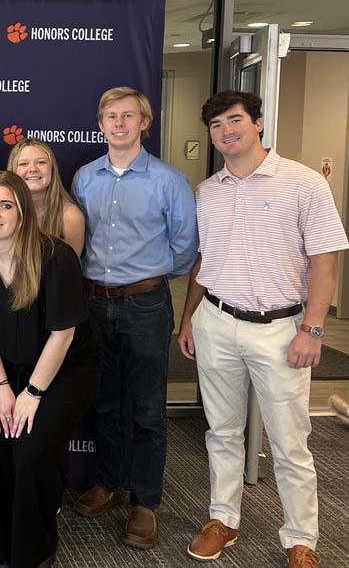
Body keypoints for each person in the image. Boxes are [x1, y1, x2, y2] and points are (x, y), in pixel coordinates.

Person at [177, 91, 348, 568]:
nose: (225, 131)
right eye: (216, 126)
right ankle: (222, 519)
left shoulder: (304, 183)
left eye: (234, 121)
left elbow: (325, 262)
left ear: (257, 124)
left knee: (289, 440)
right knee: (223, 431)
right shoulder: (207, 191)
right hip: (217, 321)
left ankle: (300, 539)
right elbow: (203, 261)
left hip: (281, 329)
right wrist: (189, 317)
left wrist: (312, 329)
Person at [70, 86, 198, 549]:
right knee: (104, 401)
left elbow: (185, 250)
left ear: (145, 122)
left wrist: (147, 276)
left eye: (128, 116)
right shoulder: (84, 178)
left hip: (146, 303)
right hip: (94, 303)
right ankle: (110, 480)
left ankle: (145, 502)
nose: (119, 123)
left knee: (146, 408)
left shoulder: (169, 181)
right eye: (110, 116)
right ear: (100, 124)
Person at [0, 170, 101, 568]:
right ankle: (3, 549)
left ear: (22, 212)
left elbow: (63, 335)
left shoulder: (55, 257)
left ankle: (34, 553)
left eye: (6, 205)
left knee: (32, 448)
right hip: (4, 365)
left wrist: (32, 395)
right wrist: (1, 385)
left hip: (64, 367)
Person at [8, 137, 85, 255]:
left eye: (41, 162)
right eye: (23, 164)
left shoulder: (70, 216)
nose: (33, 169)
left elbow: (70, 270)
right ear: (13, 171)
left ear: (52, 169)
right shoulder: (2, 211)